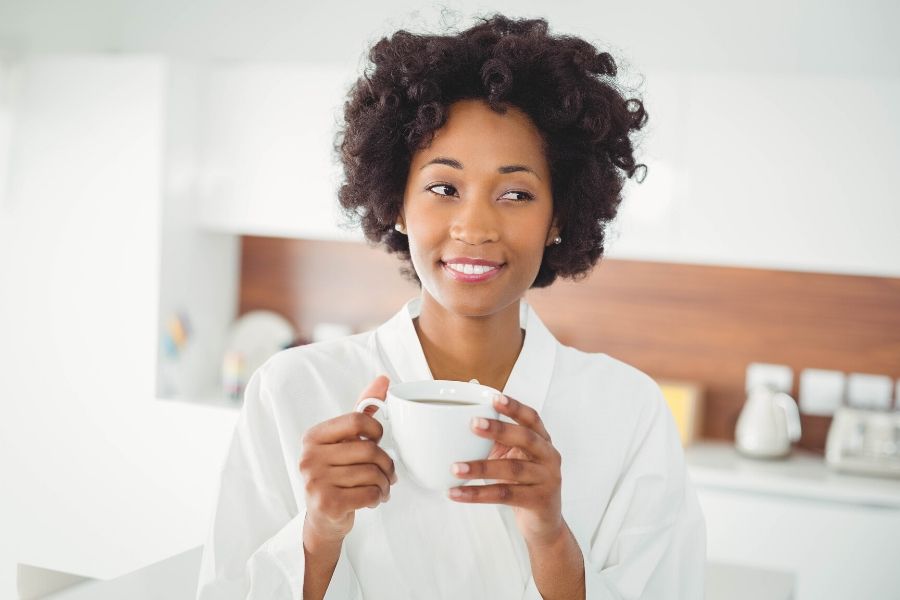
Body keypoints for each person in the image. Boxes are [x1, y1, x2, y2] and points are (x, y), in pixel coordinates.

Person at [196, 13, 706, 600]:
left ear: (559, 218)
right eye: (444, 188)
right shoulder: (292, 390)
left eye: (516, 194)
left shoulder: (628, 410)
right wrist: (319, 536)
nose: (475, 227)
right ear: (396, 202)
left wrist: (549, 539)